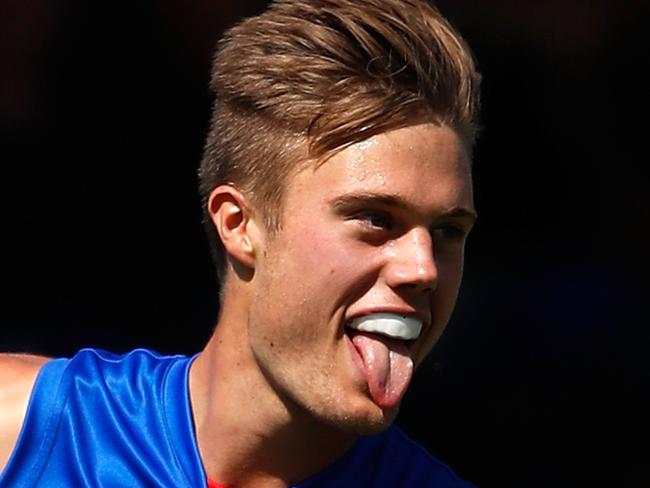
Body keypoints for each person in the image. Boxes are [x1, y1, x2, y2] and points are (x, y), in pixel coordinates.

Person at [0, 0, 480, 486]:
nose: (424, 269)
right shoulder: (29, 430)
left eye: (447, 232)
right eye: (376, 219)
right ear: (239, 223)